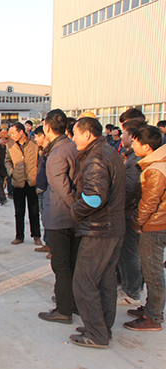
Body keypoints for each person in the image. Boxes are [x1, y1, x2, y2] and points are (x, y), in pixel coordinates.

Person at [69, 117, 125, 348]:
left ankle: (96, 334)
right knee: (105, 281)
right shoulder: (106, 151)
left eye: (75, 133)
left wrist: (75, 210)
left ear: (87, 134)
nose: (73, 138)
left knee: (84, 281)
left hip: (99, 229)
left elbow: (94, 198)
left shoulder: (96, 158)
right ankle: (101, 327)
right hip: (113, 227)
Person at [37, 109, 80, 324]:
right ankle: (72, 301)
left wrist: (77, 209)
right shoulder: (72, 146)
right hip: (71, 216)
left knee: (61, 265)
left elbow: (63, 189)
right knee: (71, 263)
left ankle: (64, 309)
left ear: (47, 127)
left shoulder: (56, 153)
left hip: (60, 216)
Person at [125, 125, 166, 331]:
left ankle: (153, 317)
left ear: (147, 147)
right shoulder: (157, 164)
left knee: (152, 273)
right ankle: (151, 309)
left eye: (135, 142)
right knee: (151, 271)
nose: (132, 145)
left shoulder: (156, 169)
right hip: (156, 223)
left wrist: (136, 223)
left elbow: (148, 203)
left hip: (154, 226)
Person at [116, 118, 146, 306]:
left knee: (130, 254)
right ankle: (128, 287)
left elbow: (129, 190)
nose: (122, 137)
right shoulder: (130, 157)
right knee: (126, 253)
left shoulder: (136, 162)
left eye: (125, 133)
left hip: (129, 213)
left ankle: (132, 292)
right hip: (126, 212)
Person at [5, 122, 41, 245]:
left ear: (21, 132)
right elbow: (7, 161)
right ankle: (19, 236)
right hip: (18, 181)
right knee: (19, 211)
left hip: (32, 181)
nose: (11, 135)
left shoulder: (34, 142)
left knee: (34, 211)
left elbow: (40, 158)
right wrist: (11, 172)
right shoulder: (10, 145)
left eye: (13, 133)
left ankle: (36, 235)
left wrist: (38, 173)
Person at [33, 126, 51, 254]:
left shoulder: (51, 151)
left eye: (36, 136)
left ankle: (52, 246)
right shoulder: (43, 150)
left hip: (47, 190)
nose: (35, 139)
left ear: (43, 136)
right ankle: (47, 243)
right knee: (45, 218)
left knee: (49, 219)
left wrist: (43, 186)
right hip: (41, 189)